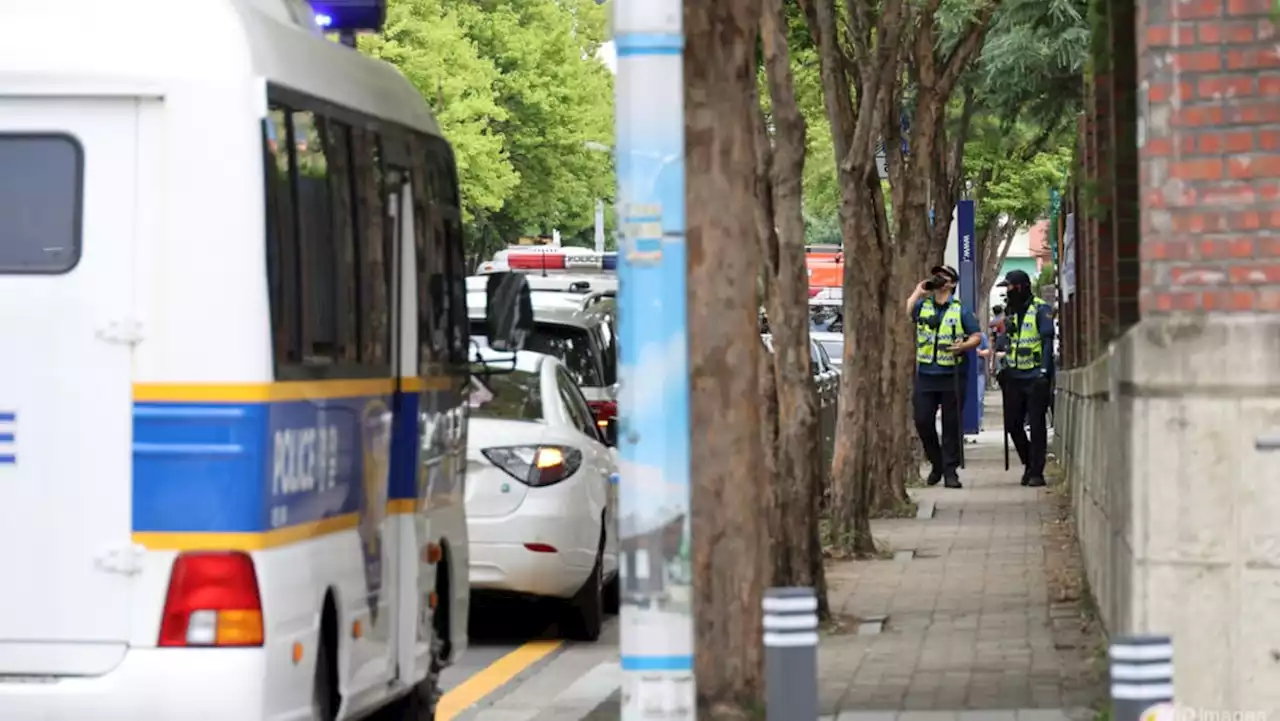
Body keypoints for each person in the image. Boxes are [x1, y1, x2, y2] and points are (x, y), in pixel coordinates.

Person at [906, 264, 982, 488]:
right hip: (927, 374)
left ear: (952, 283)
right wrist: (917, 292)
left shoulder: (961, 310)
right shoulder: (923, 305)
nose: (938, 278)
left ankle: (950, 471)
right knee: (922, 420)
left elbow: (976, 336)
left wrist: (963, 346)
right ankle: (936, 462)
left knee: (951, 425)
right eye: (936, 274)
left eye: (944, 275)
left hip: (953, 374)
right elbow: (908, 312)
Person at [995, 269, 1054, 487]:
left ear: (1020, 287)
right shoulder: (1010, 312)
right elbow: (1006, 343)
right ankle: (1029, 462)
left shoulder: (1040, 309)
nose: (1007, 292)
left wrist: (1045, 372)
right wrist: (1002, 368)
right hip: (1014, 377)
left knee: (1037, 425)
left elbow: (1047, 341)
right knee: (1012, 424)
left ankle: (1037, 472)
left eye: (1010, 287)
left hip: (1035, 376)